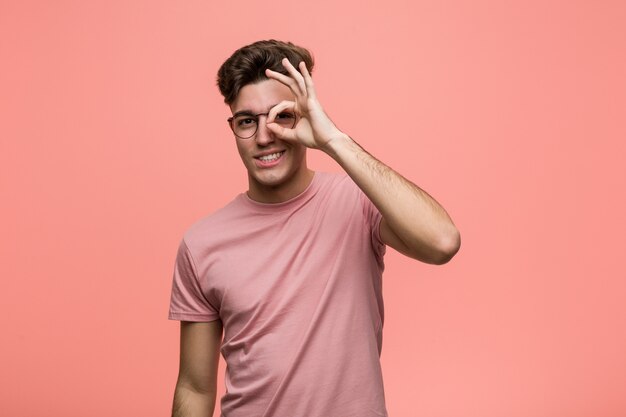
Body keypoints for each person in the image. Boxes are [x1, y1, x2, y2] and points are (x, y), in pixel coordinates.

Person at [168, 39, 461, 417]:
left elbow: (442, 241)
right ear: (233, 127)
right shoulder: (201, 243)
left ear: (303, 116)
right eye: (247, 121)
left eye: (280, 116)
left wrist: (333, 140)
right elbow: (194, 387)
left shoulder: (358, 201)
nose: (263, 136)